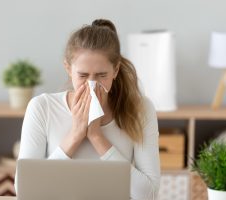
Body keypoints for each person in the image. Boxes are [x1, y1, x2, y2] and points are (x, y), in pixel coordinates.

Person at [15, 19, 160, 200]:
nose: (92, 84)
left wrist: (97, 137)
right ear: (68, 68)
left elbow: (149, 194)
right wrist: (76, 134)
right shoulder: (42, 108)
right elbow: (26, 190)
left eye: (102, 75)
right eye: (83, 75)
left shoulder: (140, 109)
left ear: (115, 70)